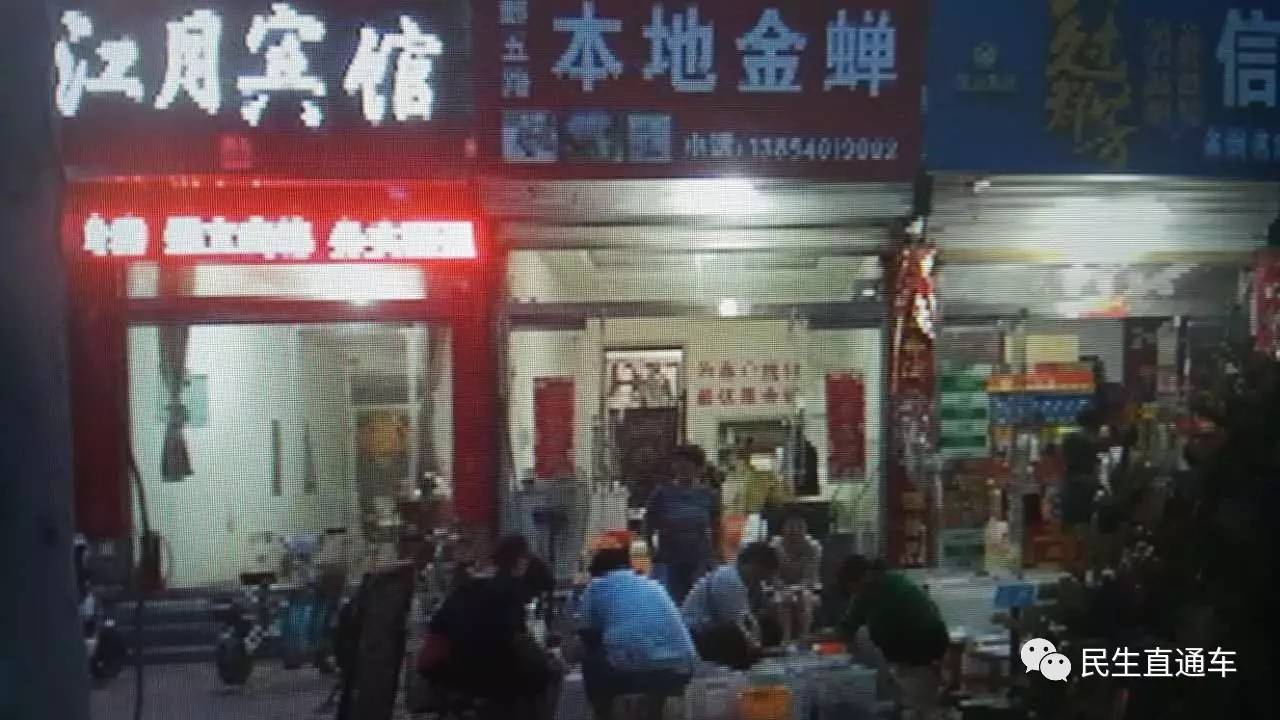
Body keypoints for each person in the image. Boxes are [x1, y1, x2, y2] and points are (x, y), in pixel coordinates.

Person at [423, 535, 560, 719]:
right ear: (521, 562)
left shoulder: (466, 590)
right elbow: (515, 643)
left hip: (453, 677)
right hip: (495, 683)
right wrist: (545, 664)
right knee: (547, 676)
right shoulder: (510, 593)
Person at [576, 547, 697, 720]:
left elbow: (586, 634)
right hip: (681, 670)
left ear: (596, 572)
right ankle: (656, 711)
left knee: (591, 658)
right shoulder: (654, 585)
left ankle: (603, 713)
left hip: (632, 674)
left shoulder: (595, 587)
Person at [836, 555, 948, 720]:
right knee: (909, 700)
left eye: (852, 585)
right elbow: (848, 626)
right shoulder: (869, 589)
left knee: (919, 704)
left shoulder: (889, 587)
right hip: (907, 652)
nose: (852, 591)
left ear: (864, 576)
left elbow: (854, 628)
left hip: (922, 648)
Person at [681, 542, 780, 670]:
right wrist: (755, 645)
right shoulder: (728, 579)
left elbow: (751, 616)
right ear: (750, 564)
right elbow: (736, 621)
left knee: (769, 625)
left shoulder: (749, 582)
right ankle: (743, 665)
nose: (760, 578)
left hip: (720, 626)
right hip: (697, 633)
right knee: (733, 634)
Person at [646, 445, 721, 603]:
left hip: (699, 558)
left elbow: (716, 526)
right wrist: (651, 549)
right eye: (678, 463)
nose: (682, 468)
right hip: (670, 558)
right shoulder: (661, 493)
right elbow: (648, 524)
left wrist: (716, 553)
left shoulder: (709, 495)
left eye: (688, 464)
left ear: (699, 468)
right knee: (671, 601)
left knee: (698, 600)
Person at [768, 514, 822, 642]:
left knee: (804, 598)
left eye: (800, 527)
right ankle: (785, 640)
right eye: (791, 527)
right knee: (783, 601)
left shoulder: (813, 547)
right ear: (783, 528)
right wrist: (785, 590)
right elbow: (773, 576)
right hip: (779, 589)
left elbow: (810, 577)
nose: (795, 531)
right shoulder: (774, 547)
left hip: (807, 588)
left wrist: (796, 589)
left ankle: (804, 638)